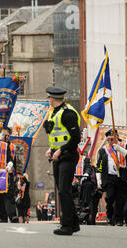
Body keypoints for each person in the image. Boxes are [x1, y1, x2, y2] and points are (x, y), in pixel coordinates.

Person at [43, 87, 81, 235]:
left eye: (49, 99)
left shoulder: (68, 114)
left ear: (52, 99)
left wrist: (60, 150)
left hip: (68, 156)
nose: (49, 101)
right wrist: (51, 149)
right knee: (62, 190)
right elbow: (57, 137)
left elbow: (76, 138)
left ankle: (66, 226)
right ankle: (74, 223)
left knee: (64, 190)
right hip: (57, 156)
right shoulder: (54, 112)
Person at [96, 129, 127, 226]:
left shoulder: (124, 146)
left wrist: (119, 149)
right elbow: (99, 165)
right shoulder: (104, 149)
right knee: (110, 197)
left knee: (120, 200)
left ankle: (119, 220)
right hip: (109, 177)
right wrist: (99, 180)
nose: (110, 142)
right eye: (108, 140)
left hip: (121, 176)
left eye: (112, 139)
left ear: (116, 137)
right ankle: (109, 216)